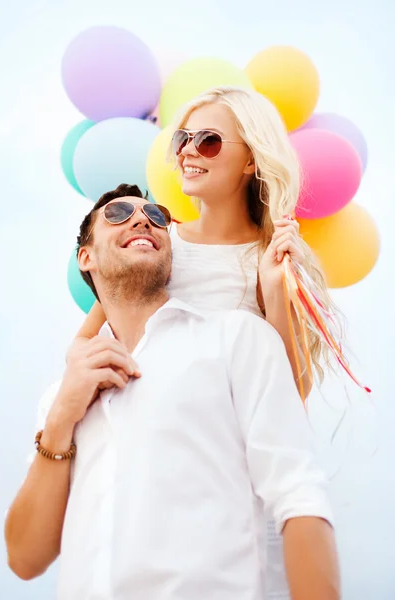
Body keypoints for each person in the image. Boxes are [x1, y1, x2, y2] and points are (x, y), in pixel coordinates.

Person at [5, 185, 340, 600]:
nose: (144, 219)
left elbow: (298, 494)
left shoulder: (237, 339)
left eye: (158, 217)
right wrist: (59, 421)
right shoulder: (62, 395)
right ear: (85, 258)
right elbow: (24, 558)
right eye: (119, 213)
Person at [69, 85, 337, 397]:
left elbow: (291, 395)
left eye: (208, 140)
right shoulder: (158, 242)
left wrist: (275, 289)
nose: (186, 151)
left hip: (216, 437)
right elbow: (82, 342)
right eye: (183, 139)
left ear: (251, 161)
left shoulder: (271, 259)